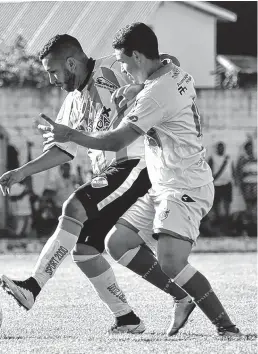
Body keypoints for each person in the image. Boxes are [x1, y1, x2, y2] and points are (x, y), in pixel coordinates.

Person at [40, 23, 242, 337]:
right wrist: (136, 87)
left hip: (184, 186)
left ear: (136, 55)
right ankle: (181, 297)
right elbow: (168, 62)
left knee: (171, 262)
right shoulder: (171, 74)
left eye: (122, 60)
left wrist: (72, 135)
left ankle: (227, 328)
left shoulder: (154, 96)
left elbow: (115, 141)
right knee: (117, 242)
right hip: (163, 183)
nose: (119, 67)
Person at [0, 34, 193, 334]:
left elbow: (170, 63)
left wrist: (139, 86)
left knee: (74, 206)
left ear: (71, 63)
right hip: (113, 173)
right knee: (86, 253)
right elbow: (63, 149)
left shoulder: (113, 65)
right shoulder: (73, 100)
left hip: (135, 165)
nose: (52, 79)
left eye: (53, 71)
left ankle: (32, 287)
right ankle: (128, 318)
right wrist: (23, 172)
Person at [208, 142, 236, 227]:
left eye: (222, 147)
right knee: (217, 203)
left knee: (227, 202)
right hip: (217, 184)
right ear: (217, 148)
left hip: (227, 183)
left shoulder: (228, 158)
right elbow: (209, 170)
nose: (221, 149)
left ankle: (227, 220)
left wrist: (234, 180)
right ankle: (218, 219)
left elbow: (232, 169)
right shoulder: (212, 158)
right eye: (219, 147)